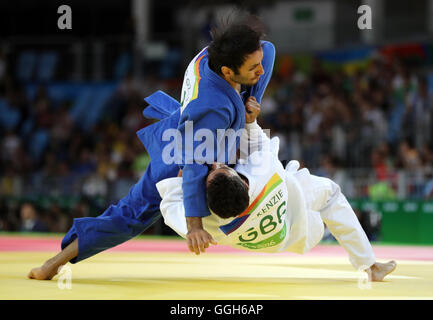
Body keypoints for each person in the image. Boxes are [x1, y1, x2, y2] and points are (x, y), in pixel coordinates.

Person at [28, 13, 275, 278]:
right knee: (128, 218)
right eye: (253, 69)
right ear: (228, 72)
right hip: (177, 162)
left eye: (257, 64)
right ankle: (53, 264)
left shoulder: (212, 56)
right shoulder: (213, 108)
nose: (260, 71)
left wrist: (250, 99)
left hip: (203, 140)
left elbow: (268, 51)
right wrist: (194, 225)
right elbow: (192, 164)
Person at [155, 120, 397, 282]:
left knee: (314, 190)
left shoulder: (206, 224)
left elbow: (169, 205)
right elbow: (258, 143)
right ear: (244, 182)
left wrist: (183, 180)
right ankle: (370, 265)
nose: (217, 164)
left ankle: (369, 265)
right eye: (222, 168)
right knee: (331, 194)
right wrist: (251, 119)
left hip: (287, 234)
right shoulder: (262, 175)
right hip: (300, 218)